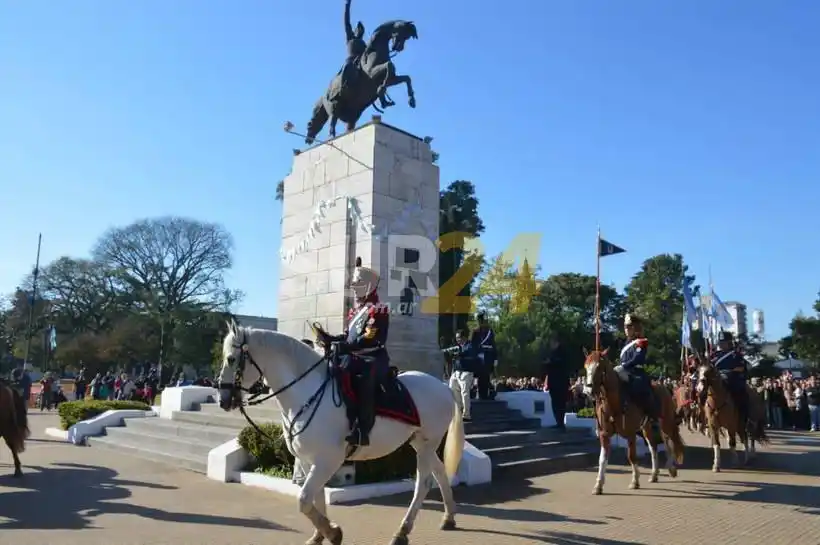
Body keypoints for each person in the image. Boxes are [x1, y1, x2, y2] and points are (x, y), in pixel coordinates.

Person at [327, 259, 390, 447]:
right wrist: (330, 338)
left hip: (373, 357)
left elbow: (372, 338)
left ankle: (363, 429)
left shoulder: (378, 309)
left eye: (358, 285)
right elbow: (348, 336)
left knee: (363, 376)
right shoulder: (356, 311)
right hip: (355, 356)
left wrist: (346, 346)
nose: (354, 288)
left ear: (369, 286)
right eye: (354, 285)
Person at [613, 313, 658, 420]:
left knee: (639, 388)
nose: (626, 329)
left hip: (636, 372)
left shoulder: (641, 341)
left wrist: (624, 365)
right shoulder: (625, 343)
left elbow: (637, 358)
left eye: (629, 327)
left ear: (635, 328)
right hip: (624, 371)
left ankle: (650, 417)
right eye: (625, 327)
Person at [711, 330, 749, 425]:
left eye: (724, 343)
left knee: (740, 394)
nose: (721, 345)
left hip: (733, 380)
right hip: (718, 379)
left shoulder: (736, 355)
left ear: (729, 343)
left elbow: (741, 368)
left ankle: (743, 417)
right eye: (720, 342)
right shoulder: (715, 355)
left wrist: (730, 371)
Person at [445, 330, 477, 421]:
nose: (457, 340)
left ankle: (466, 414)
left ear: (464, 337)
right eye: (456, 338)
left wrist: (459, 354)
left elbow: (469, 354)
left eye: (459, 337)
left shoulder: (470, 345)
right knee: (453, 389)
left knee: (465, 393)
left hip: (466, 372)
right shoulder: (458, 346)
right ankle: (457, 411)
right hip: (457, 371)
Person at [340, 0, 367, 92]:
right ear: (355, 30)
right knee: (347, 66)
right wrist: (347, 5)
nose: (360, 31)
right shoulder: (350, 37)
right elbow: (347, 22)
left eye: (361, 30)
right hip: (351, 63)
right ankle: (343, 87)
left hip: (361, 64)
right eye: (358, 29)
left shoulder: (364, 44)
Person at [544, 335, 570, 430]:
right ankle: (558, 422)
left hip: (560, 382)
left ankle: (561, 423)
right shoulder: (552, 353)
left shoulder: (562, 352)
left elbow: (561, 364)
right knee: (555, 403)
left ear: (557, 342)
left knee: (560, 403)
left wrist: (550, 362)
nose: (551, 344)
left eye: (552, 342)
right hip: (553, 382)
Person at [471, 311, 497, 400]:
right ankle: (479, 393)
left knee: (486, 376)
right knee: (479, 376)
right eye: (481, 320)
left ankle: (486, 394)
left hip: (488, 357)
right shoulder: (475, 332)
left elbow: (493, 345)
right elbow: (473, 345)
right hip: (479, 357)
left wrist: (495, 358)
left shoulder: (489, 332)